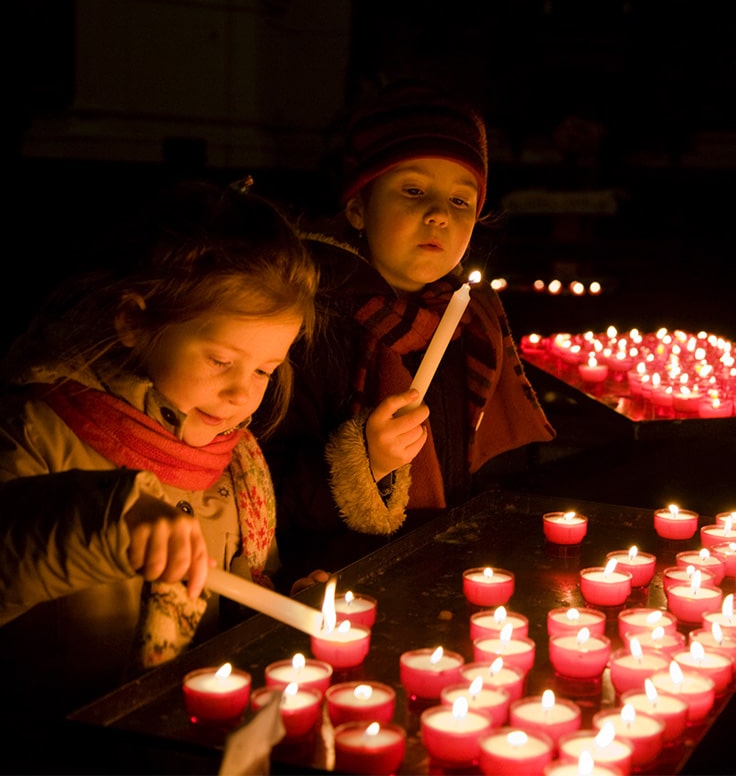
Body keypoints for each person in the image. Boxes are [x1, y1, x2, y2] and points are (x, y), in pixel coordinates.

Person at [0, 177, 324, 718]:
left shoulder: (239, 463)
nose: (241, 391)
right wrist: (110, 520)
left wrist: (286, 608)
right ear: (134, 321)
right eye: (220, 360)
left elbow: (236, 602)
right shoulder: (36, 428)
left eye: (266, 369)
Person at [262, 81, 555, 590]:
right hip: (333, 586)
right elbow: (259, 488)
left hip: (443, 576)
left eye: (462, 201)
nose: (440, 214)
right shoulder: (305, 323)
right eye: (414, 191)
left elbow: (489, 469)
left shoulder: (473, 322)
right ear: (357, 209)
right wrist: (365, 463)